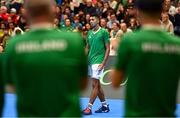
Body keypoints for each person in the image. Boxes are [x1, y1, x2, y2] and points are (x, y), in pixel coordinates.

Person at [2, 0, 88, 117]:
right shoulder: (74, 41)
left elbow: (13, 86)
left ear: (25, 14)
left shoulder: (13, 45)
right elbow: (82, 84)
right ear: (53, 12)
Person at [112, 0, 180, 117]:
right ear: (160, 11)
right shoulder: (177, 44)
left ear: (138, 12)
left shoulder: (130, 42)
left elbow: (115, 82)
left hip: (137, 114)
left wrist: (118, 48)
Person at [83, 15, 110, 115]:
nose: (90, 21)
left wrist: (103, 63)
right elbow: (87, 47)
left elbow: (107, 48)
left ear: (98, 21)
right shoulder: (89, 33)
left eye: (93, 19)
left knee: (95, 85)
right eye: (90, 20)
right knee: (97, 85)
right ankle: (105, 106)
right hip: (90, 61)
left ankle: (89, 108)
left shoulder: (104, 32)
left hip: (98, 61)